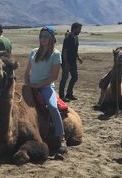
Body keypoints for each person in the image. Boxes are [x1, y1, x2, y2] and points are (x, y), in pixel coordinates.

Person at [23, 26, 68, 154]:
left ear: (52, 38)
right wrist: (28, 83)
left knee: (53, 107)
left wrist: (38, 86)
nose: (43, 39)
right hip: (30, 85)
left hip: (46, 87)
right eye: (41, 36)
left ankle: (61, 138)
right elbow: (27, 72)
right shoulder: (33, 52)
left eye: (46, 37)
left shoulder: (56, 54)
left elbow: (54, 76)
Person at [59, 22, 83, 101]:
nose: (80, 31)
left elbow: (75, 49)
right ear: (75, 29)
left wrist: (78, 57)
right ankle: (61, 96)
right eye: (79, 29)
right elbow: (65, 51)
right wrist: (66, 63)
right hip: (66, 61)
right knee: (64, 78)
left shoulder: (76, 37)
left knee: (75, 77)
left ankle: (69, 94)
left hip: (73, 61)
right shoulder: (68, 38)